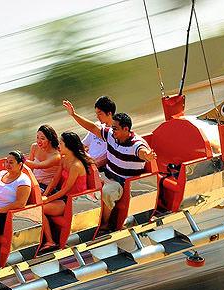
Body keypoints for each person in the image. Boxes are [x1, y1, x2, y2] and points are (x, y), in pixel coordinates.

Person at [63, 100, 157, 228]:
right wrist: (73, 115)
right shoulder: (111, 135)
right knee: (85, 182)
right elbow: (92, 127)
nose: (113, 131)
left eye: (116, 129)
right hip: (106, 174)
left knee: (107, 192)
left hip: (122, 183)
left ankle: (105, 223)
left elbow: (142, 152)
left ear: (126, 129)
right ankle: (82, 221)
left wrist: (148, 156)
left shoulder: (136, 144)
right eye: (112, 128)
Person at [40, 132, 93, 250]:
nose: (58, 146)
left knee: (39, 209)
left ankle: (50, 241)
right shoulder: (64, 159)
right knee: (37, 202)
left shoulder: (76, 166)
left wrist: (47, 200)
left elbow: (65, 189)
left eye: (61, 143)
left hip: (73, 201)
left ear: (68, 145)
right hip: (63, 197)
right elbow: (55, 179)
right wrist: (45, 194)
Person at [0, 150, 32, 242]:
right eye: (6, 162)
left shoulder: (23, 181)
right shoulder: (1, 173)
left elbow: (20, 203)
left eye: (11, 162)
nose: (7, 164)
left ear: (20, 164)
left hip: (2, 216)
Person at [70, 96, 116, 169]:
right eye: (96, 114)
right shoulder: (98, 125)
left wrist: (74, 115)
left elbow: (109, 156)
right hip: (88, 161)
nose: (97, 117)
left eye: (100, 114)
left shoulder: (115, 132)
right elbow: (83, 144)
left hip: (99, 167)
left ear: (109, 113)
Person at [24, 124, 61, 191]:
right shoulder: (34, 147)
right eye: (37, 137)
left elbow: (38, 166)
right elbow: (30, 168)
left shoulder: (56, 156)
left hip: (45, 186)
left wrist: (20, 159)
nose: (39, 141)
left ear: (50, 140)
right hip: (33, 181)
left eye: (42, 138)